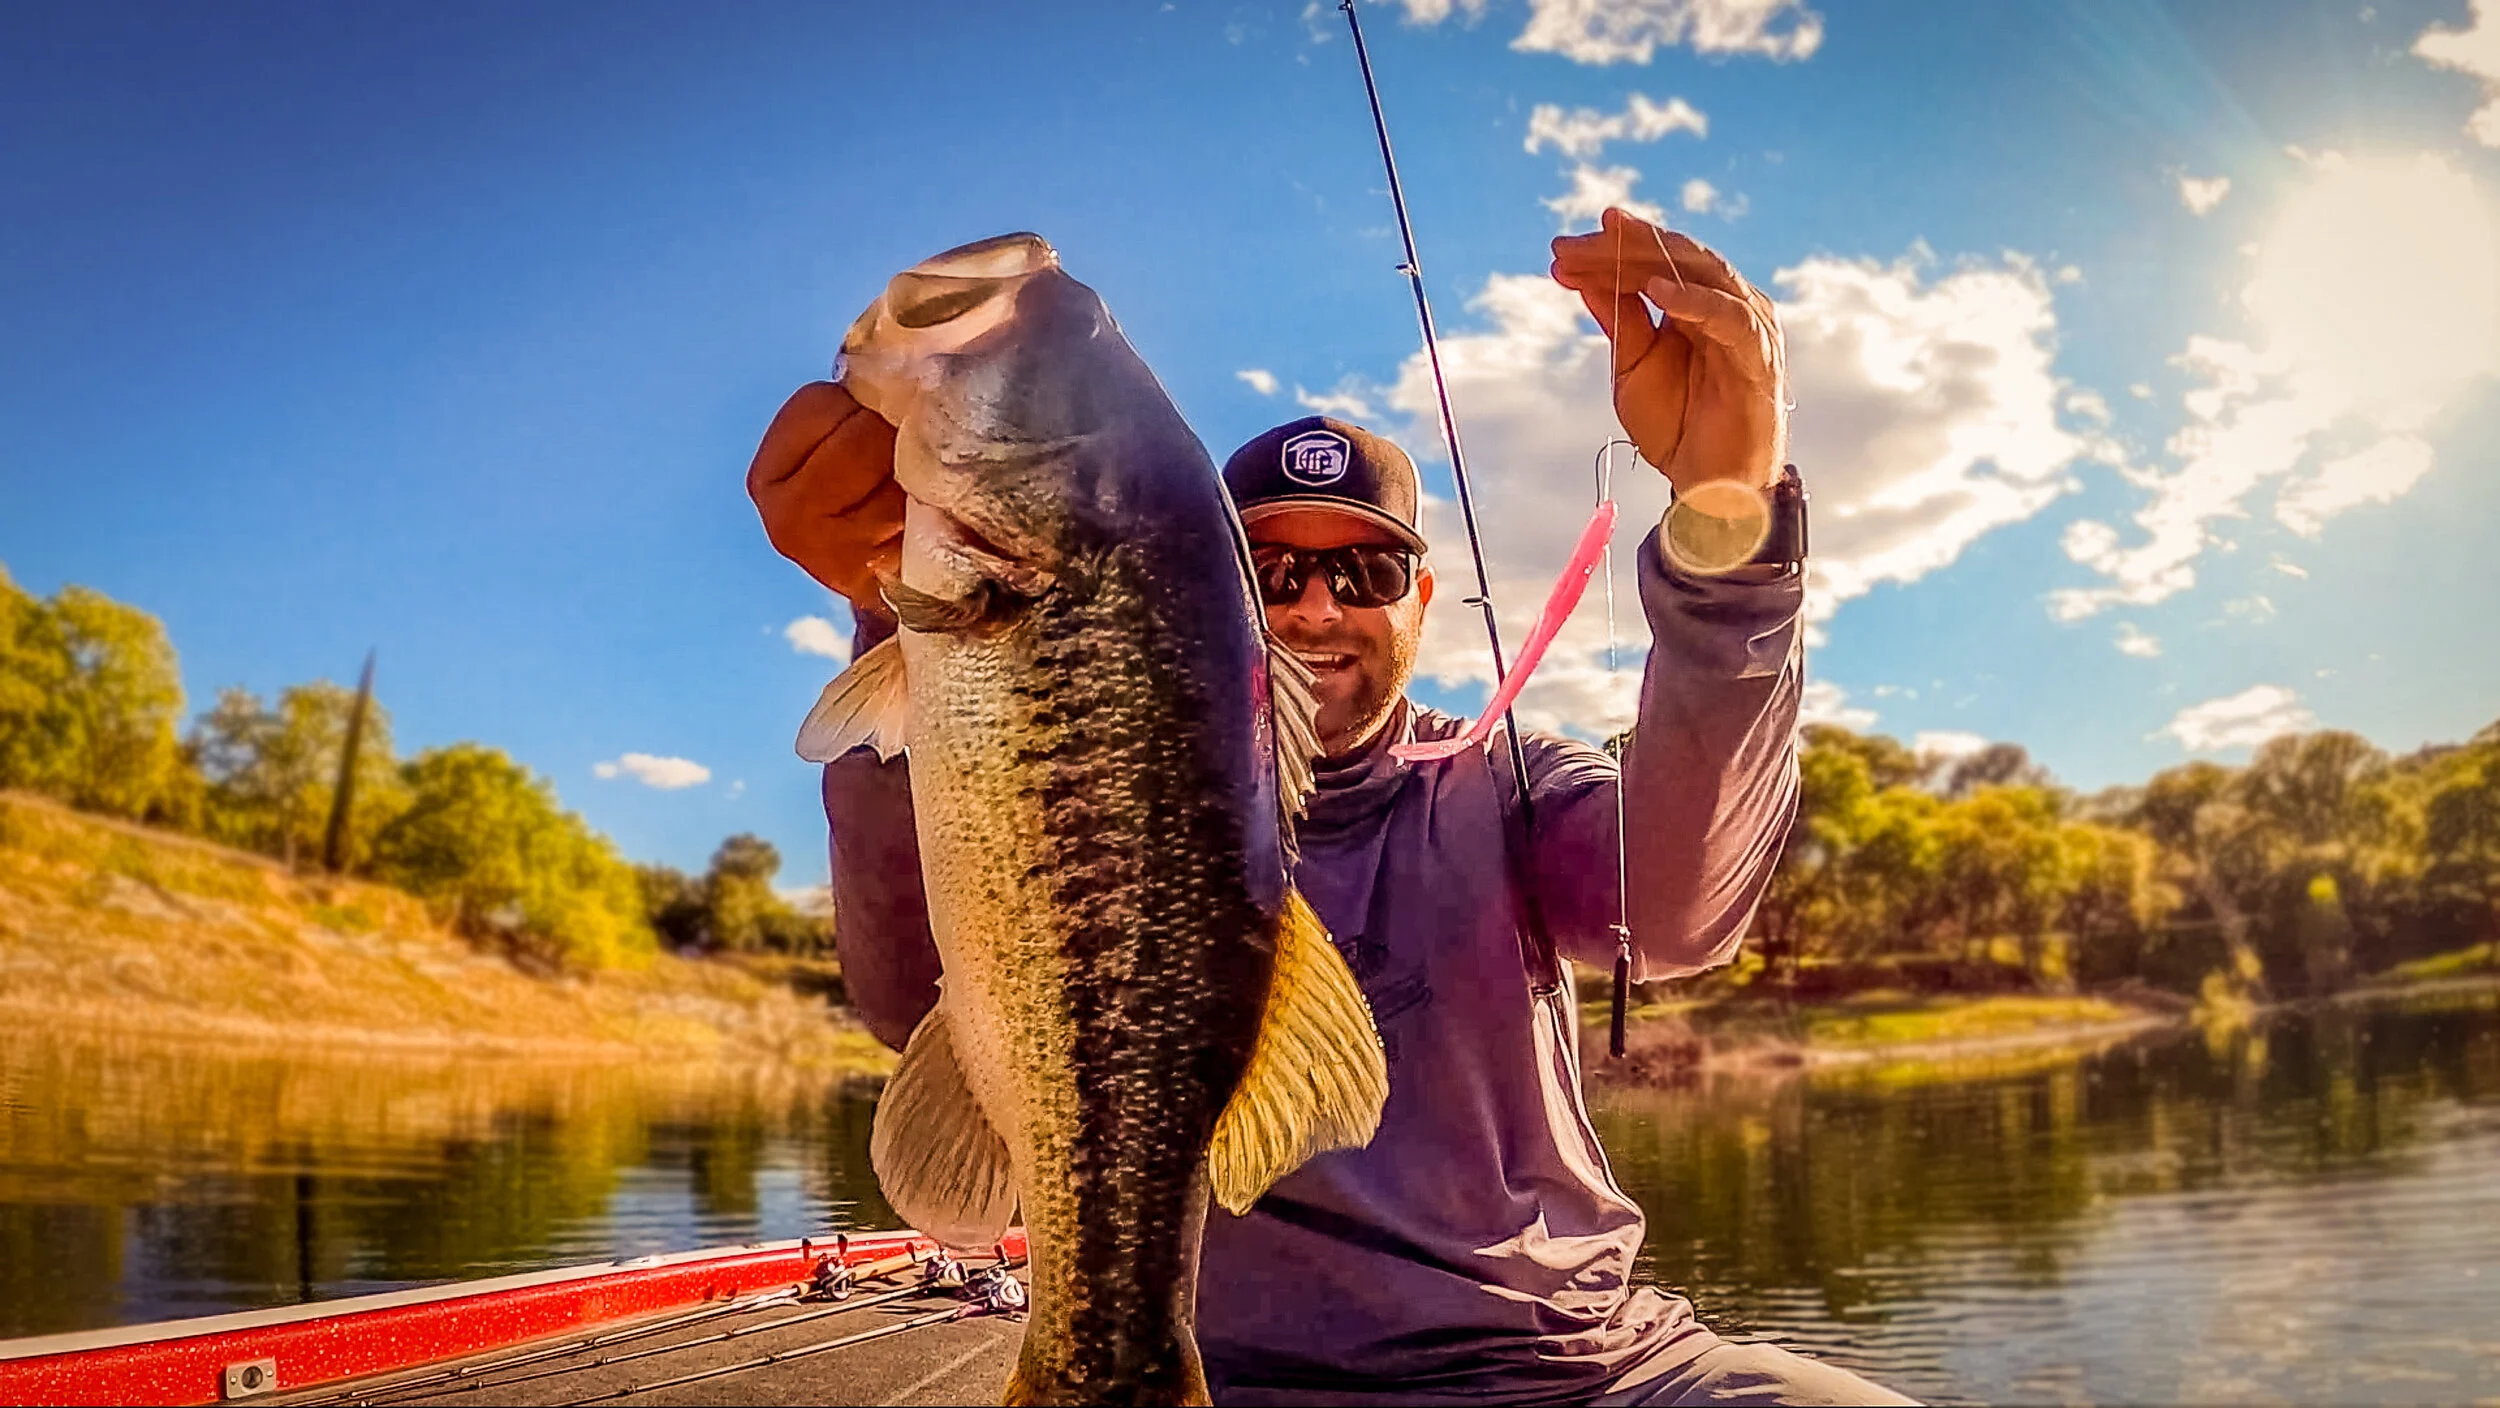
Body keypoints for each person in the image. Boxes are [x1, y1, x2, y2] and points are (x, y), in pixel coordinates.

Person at [747, 207, 1912, 1406]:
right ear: (1198, 591)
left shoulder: (1507, 786)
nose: (1315, 608)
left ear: (1421, 605)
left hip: (1584, 1369)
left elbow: (1671, 912)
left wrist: (1729, 514)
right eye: (1270, 569)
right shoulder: (1035, 697)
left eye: (1365, 571)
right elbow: (905, 997)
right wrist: (897, 602)